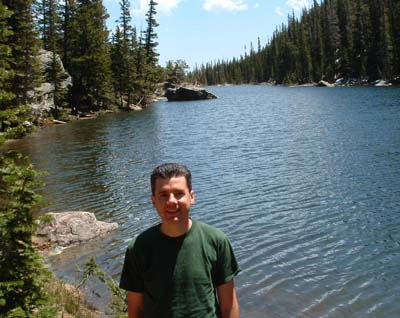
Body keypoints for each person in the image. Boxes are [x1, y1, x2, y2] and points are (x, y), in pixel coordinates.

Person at [120, 163, 241, 318]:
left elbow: (228, 306)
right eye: (163, 195)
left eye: (178, 193)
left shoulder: (216, 241)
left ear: (192, 196)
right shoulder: (138, 248)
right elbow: (135, 309)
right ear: (153, 200)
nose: (171, 201)